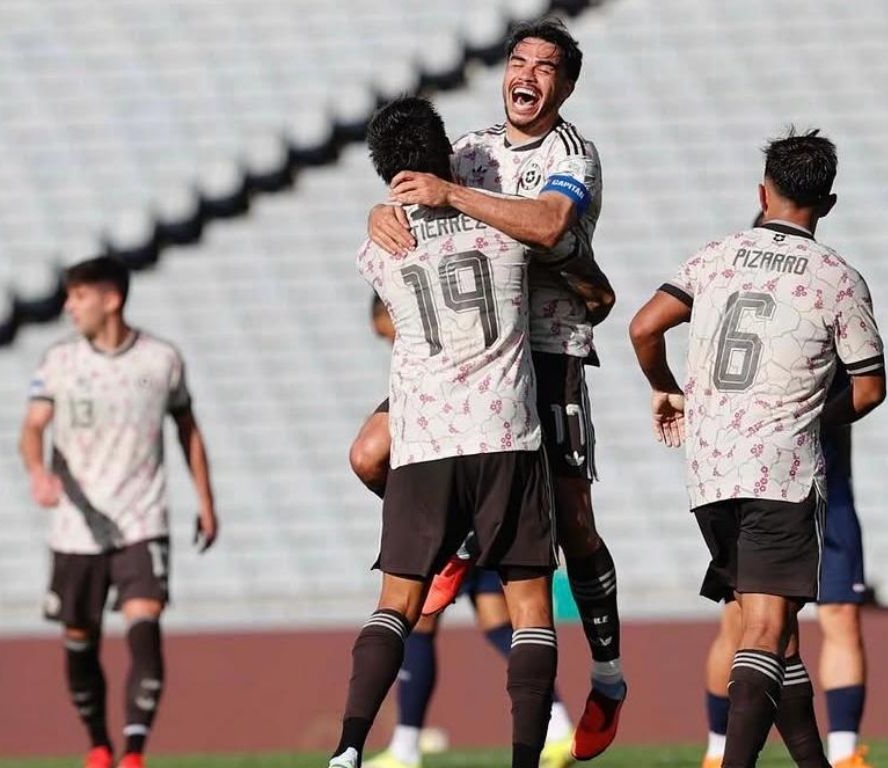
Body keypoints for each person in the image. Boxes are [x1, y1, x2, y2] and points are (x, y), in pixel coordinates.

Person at [360, 19, 627, 758]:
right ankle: (461, 537)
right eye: (519, 61)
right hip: (469, 357)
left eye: (546, 67)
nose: (529, 74)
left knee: (574, 520)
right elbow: (414, 205)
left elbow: (547, 225)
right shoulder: (471, 150)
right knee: (368, 454)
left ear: (565, 86)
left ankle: (607, 676)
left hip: (547, 347)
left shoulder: (572, 154)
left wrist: (455, 195)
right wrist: (384, 211)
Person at [629, 129, 887, 768]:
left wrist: (667, 387)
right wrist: (809, 418)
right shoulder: (838, 277)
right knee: (765, 632)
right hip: (781, 471)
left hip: (709, 469)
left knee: (778, 637)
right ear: (827, 204)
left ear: (762, 192)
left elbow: (642, 326)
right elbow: (870, 389)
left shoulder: (716, 256)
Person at [358, 295, 576, 768]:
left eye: (387, 331)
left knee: (420, 617)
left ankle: (406, 747)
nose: (389, 343)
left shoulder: (432, 357)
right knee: (501, 621)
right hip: (486, 480)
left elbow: (371, 456)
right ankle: (558, 728)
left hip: (454, 487)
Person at [18, 256, 219, 768]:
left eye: (78, 296)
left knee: (145, 623)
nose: (69, 307)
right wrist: (38, 472)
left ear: (111, 299)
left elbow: (187, 429)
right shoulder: (60, 362)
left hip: (141, 519)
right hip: (76, 529)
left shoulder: (159, 360)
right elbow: (32, 427)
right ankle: (98, 746)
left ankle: (133, 752)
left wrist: (205, 501)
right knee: (79, 641)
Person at [701, 366, 875, 768]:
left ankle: (846, 751)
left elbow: (867, 389)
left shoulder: (822, 318)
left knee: (841, 617)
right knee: (749, 626)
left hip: (829, 492)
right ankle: (718, 747)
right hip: (766, 489)